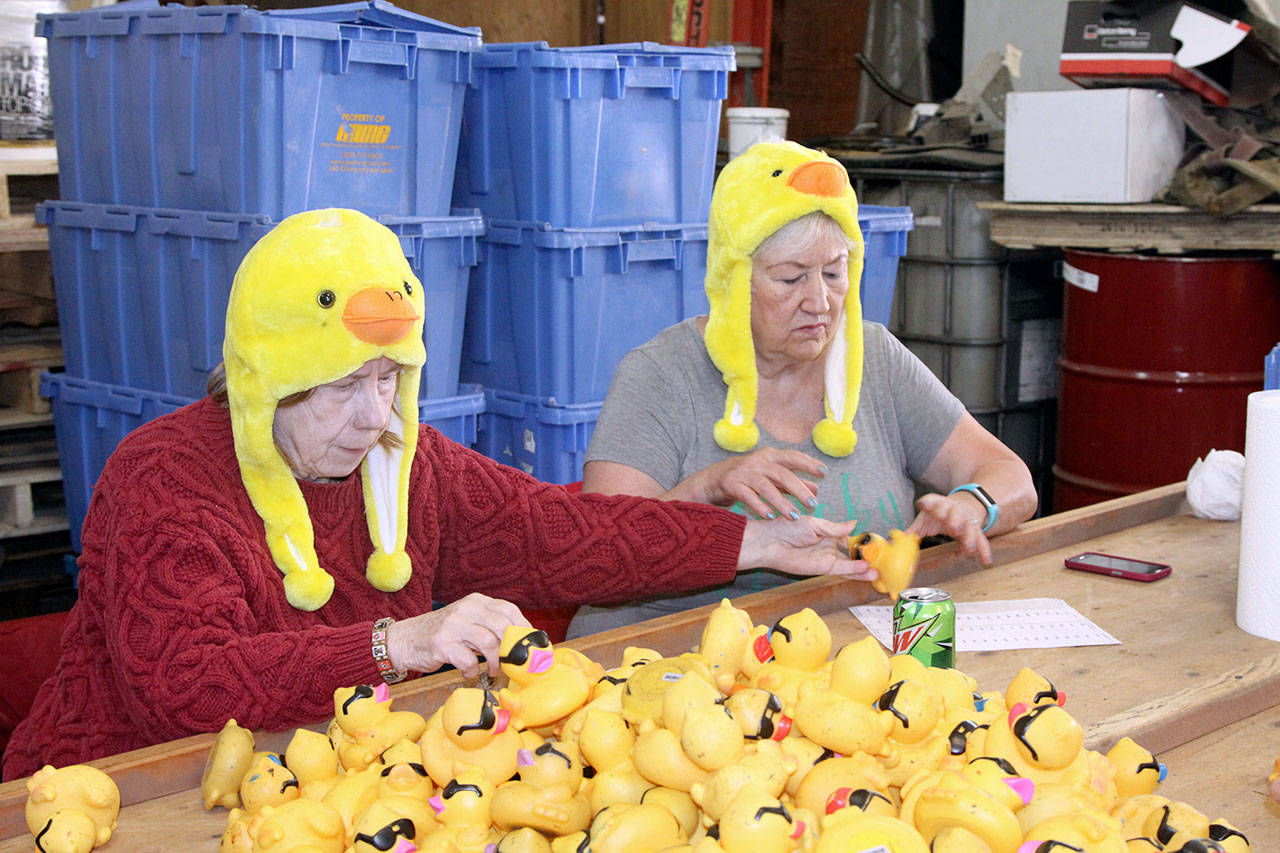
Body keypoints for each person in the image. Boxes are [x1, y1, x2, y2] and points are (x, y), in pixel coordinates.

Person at [2, 208, 872, 781]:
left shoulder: (401, 459)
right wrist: (400, 642)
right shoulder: (164, 477)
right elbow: (189, 685)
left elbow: (560, 530)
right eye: (342, 384)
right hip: (115, 795)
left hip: (314, 785)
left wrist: (751, 543)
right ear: (266, 379)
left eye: (391, 377)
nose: (373, 414)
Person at [569, 141, 1037, 636]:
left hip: (839, 652)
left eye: (835, 273)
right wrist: (708, 487)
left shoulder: (874, 359)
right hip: (672, 659)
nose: (820, 302)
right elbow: (598, 560)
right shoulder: (660, 376)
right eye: (791, 279)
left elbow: (1013, 479)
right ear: (735, 279)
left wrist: (972, 505)